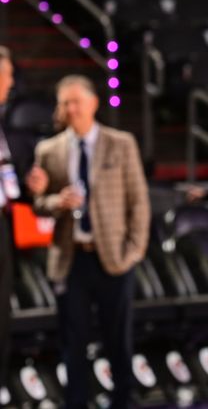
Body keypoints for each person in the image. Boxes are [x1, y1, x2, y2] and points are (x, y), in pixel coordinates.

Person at [33, 75, 150, 409]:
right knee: (73, 342)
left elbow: (138, 202)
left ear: (93, 103)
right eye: (65, 103)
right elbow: (40, 203)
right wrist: (56, 201)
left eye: (76, 102)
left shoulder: (121, 143)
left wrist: (134, 251)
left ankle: (122, 402)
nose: (71, 109)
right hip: (72, 259)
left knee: (119, 340)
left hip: (114, 257)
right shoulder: (49, 149)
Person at [0, 46, 48, 404]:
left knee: (3, 318)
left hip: (5, 225)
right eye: (6, 75)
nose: (11, 83)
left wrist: (29, 190)